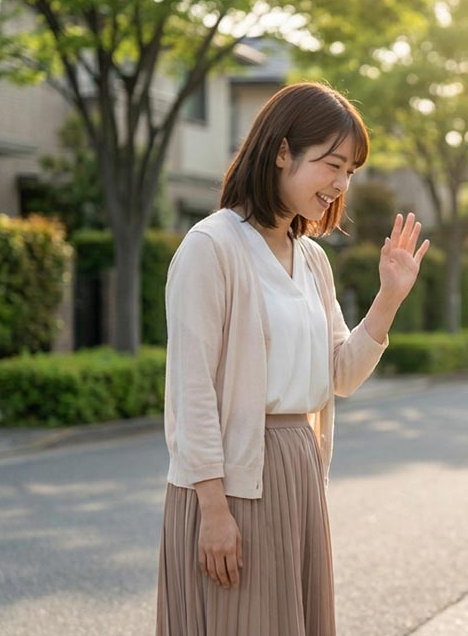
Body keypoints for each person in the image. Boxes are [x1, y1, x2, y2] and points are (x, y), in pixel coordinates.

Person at [155, 82, 429, 636]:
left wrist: (389, 297)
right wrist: (212, 511)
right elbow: (193, 391)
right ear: (282, 152)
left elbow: (341, 376)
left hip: (297, 468)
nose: (340, 184)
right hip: (232, 481)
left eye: (350, 170)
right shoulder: (212, 247)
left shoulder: (311, 259)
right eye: (331, 165)